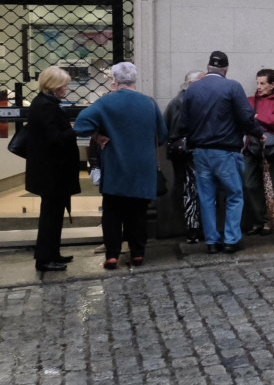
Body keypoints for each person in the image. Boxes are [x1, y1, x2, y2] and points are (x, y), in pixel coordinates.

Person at [73, 62, 167, 269]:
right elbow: (162, 135)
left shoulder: (105, 102)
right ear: (134, 79)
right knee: (138, 213)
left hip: (116, 167)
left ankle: (112, 255)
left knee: (113, 212)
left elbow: (80, 125)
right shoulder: (149, 103)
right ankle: (138, 254)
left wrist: (97, 135)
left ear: (114, 81)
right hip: (142, 169)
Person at [180, 50, 264, 253]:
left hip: (200, 152)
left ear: (208, 67)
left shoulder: (192, 89)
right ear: (226, 69)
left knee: (207, 198)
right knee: (234, 195)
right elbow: (246, 116)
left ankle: (211, 242)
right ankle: (231, 240)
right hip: (226, 151)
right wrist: (259, 132)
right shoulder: (232, 86)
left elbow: (183, 123)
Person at [24, 66, 80, 273]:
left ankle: (52, 253)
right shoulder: (46, 106)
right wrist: (73, 129)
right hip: (52, 173)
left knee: (53, 215)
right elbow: (54, 139)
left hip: (51, 172)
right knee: (50, 216)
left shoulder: (43, 103)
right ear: (54, 86)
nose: (66, 87)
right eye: (64, 84)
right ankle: (45, 258)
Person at [243, 68, 274, 235]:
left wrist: (256, 117)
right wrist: (262, 121)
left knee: (273, 186)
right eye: (257, 83)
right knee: (249, 184)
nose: (259, 87)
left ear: (272, 85)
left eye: (262, 83)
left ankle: (271, 220)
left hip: (272, 149)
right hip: (251, 147)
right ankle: (259, 219)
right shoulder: (249, 100)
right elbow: (244, 119)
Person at [163, 71, 204, 243]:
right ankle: (193, 229)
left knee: (189, 189)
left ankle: (192, 227)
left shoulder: (179, 100)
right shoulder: (184, 101)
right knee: (190, 190)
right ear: (191, 84)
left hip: (181, 152)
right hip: (188, 152)